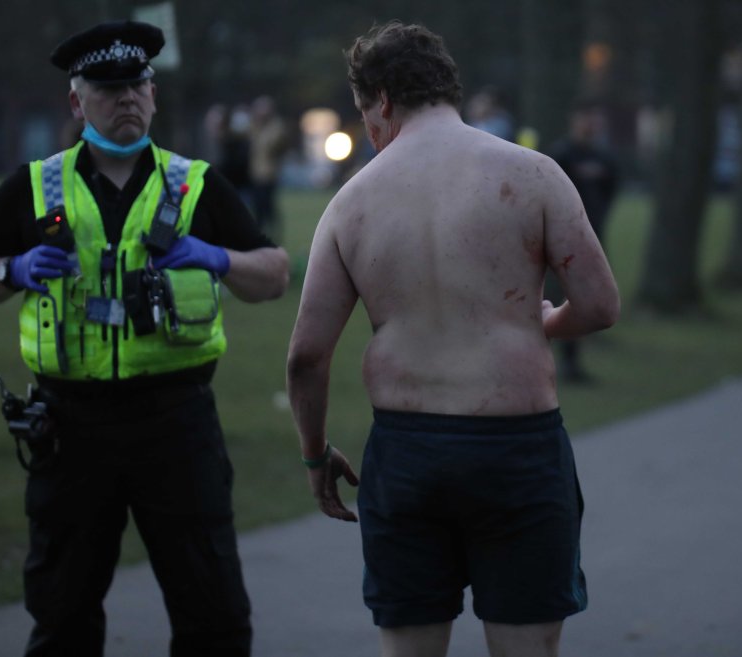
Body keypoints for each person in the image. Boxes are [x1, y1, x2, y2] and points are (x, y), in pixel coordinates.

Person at [0, 20, 288, 657]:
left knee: (212, 613)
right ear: (78, 104)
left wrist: (216, 257)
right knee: (63, 616)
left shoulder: (194, 184)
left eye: (137, 85)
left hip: (176, 423)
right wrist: (11, 270)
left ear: (154, 94)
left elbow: (272, 273)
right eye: (107, 89)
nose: (126, 98)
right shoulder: (36, 184)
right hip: (70, 428)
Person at [286, 21, 619, 657]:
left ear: (381, 100)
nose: (369, 133)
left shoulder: (351, 204)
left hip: (408, 455)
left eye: (365, 114)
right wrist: (543, 322)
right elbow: (600, 306)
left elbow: (307, 356)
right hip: (517, 452)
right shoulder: (534, 174)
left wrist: (313, 453)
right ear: (447, 89)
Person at [545, 100, 620, 382]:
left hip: (594, 236)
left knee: (587, 295)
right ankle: (557, 360)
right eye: (585, 117)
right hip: (561, 239)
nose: (590, 124)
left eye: (594, 118)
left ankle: (573, 362)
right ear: (573, 120)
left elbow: (612, 188)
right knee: (557, 297)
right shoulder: (562, 155)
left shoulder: (604, 158)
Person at [248, 95, 290, 240]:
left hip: (268, 174)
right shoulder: (254, 127)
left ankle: (274, 234)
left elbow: (273, 146)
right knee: (257, 208)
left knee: (268, 207)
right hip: (255, 174)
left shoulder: (275, 127)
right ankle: (259, 235)